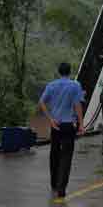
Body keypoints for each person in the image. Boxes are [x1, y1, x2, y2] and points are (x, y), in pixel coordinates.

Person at [39, 62, 84, 199]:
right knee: (66, 156)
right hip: (69, 125)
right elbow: (77, 105)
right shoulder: (75, 85)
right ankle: (61, 188)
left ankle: (54, 183)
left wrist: (50, 119)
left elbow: (41, 102)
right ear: (69, 72)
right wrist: (81, 124)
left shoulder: (51, 85)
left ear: (59, 72)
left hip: (55, 125)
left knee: (54, 153)